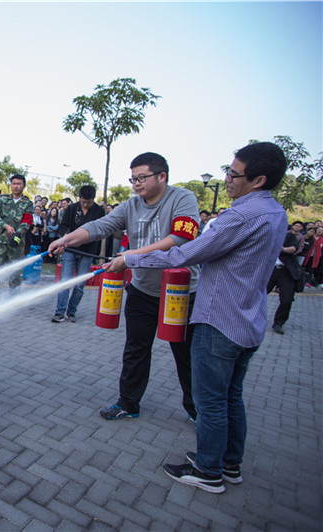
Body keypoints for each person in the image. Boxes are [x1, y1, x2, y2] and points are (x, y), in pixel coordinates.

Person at [104, 142, 288, 494]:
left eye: (234, 174)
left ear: (258, 179)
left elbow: (184, 253)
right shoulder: (275, 213)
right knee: (231, 396)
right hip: (248, 319)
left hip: (219, 320)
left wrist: (130, 259)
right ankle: (229, 463)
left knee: (211, 401)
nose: (227, 179)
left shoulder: (240, 216)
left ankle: (207, 470)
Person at [49, 152, 200, 422]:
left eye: (142, 178)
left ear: (161, 176)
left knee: (186, 354)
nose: (136, 184)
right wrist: (68, 239)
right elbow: (100, 226)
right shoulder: (131, 206)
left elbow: (181, 236)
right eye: (133, 179)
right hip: (143, 290)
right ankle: (128, 403)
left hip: (180, 292)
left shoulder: (183, 198)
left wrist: (132, 256)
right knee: (135, 349)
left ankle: (197, 409)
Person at [51, 185, 105, 323]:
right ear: (79, 198)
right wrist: (65, 236)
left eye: (89, 202)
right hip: (70, 250)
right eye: (83, 202)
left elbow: (101, 232)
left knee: (80, 285)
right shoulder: (72, 208)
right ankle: (59, 312)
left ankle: (72, 311)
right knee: (65, 282)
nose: (86, 205)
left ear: (94, 199)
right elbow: (63, 226)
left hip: (87, 252)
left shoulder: (99, 211)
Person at [0, 174, 34, 290]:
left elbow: (27, 221)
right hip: (0, 242)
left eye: (19, 184)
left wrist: (17, 233)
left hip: (16, 244)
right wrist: (6, 226)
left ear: (24, 186)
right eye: (14, 184)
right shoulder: (2, 200)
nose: (16, 186)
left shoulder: (28, 203)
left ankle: (12, 300)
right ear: (11, 185)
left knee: (14, 274)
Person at [266, 222, 304, 333]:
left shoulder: (289, 236)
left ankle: (278, 323)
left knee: (287, 299)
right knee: (256, 295)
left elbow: (293, 248)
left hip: (285, 271)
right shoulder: (266, 235)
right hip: (269, 270)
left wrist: (282, 249)